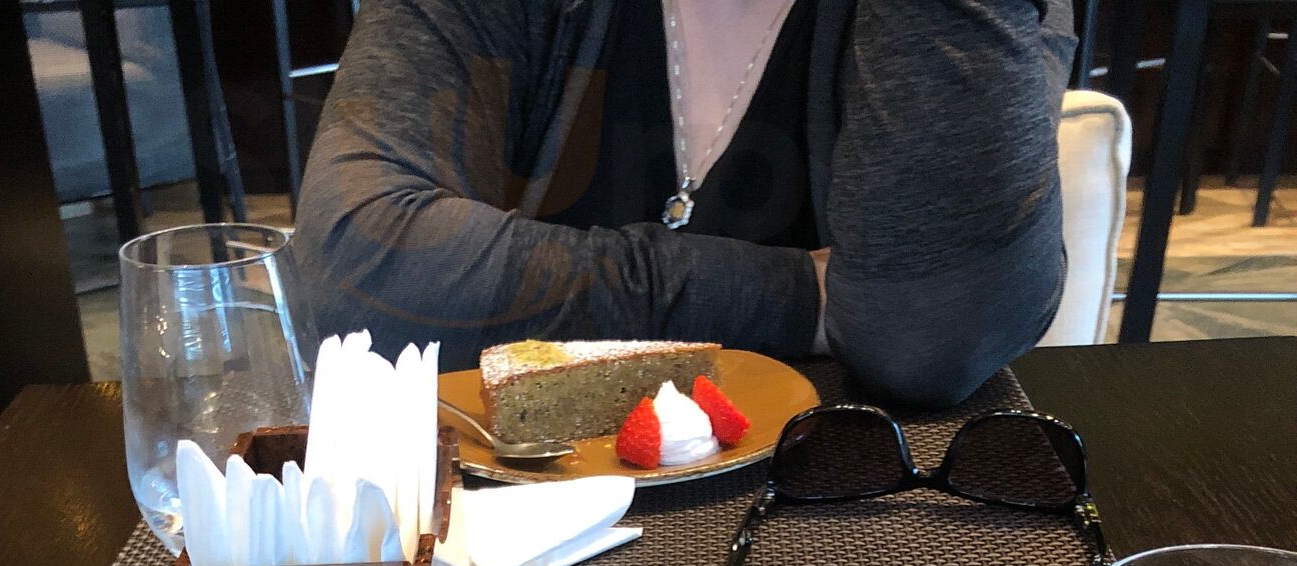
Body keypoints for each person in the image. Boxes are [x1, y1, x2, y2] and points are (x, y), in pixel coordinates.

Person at [294, 0, 1076, 407]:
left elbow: (932, 335)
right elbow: (360, 280)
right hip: (499, 547)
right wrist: (799, 297)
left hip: (855, 540)